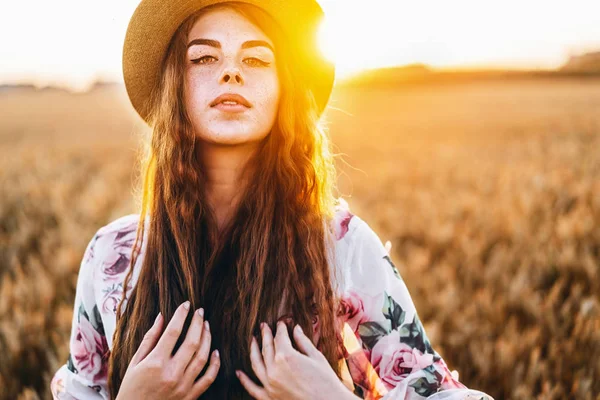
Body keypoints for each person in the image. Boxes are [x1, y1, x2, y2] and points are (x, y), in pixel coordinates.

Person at [50, 1, 495, 399]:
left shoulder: (341, 248)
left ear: (285, 88)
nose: (231, 72)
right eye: (203, 57)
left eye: (257, 58)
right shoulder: (112, 256)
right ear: (174, 86)